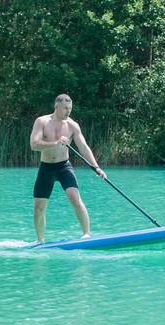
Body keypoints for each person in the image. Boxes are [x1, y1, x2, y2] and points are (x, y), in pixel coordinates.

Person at [30, 94, 107, 243]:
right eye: (65, 109)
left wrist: (96, 167)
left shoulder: (72, 125)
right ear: (56, 107)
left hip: (64, 166)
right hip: (46, 168)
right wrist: (55, 143)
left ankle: (87, 234)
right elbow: (34, 145)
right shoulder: (42, 122)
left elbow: (84, 148)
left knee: (75, 198)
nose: (68, 112)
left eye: (70, 109)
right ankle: (40, 241)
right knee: (39, 208)